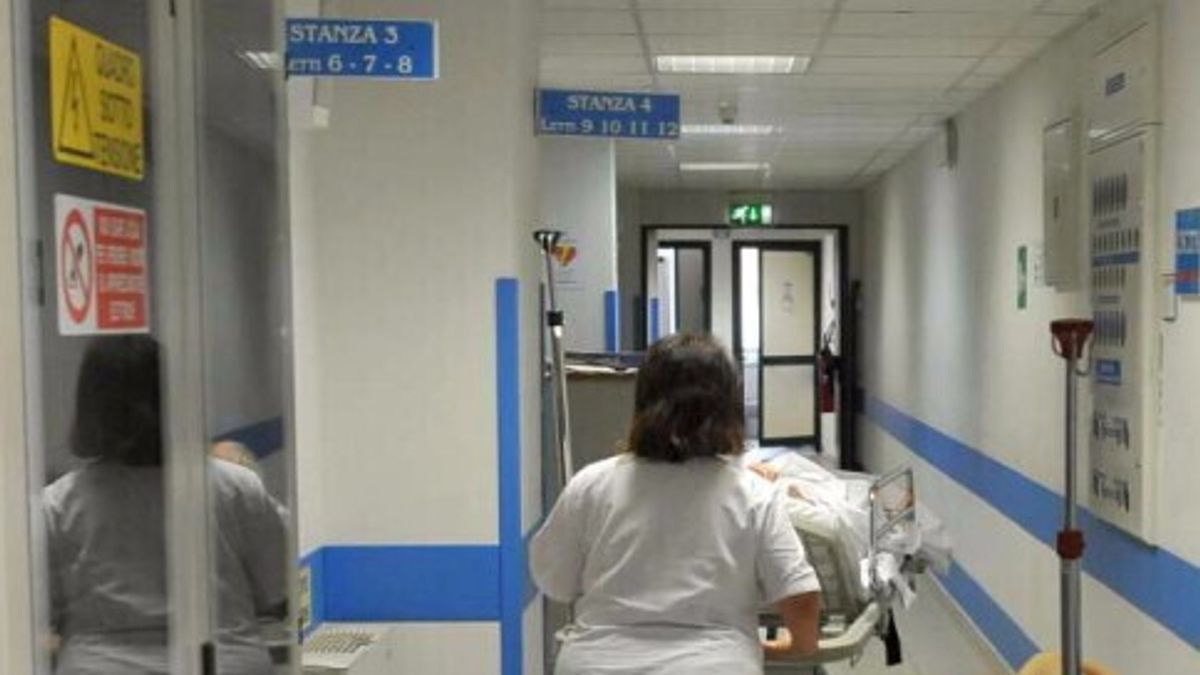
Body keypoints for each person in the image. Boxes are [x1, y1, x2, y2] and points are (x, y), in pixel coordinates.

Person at [530, 333, 822, 675]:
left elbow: (554, 581)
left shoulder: (591, 484)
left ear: (642, 402)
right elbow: (801, 596)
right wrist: (796, 646)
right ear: (730, 408)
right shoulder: (753, 493)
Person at [42, 335, 287, 675]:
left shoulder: (59, 504)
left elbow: (37, 608)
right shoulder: (236, 488)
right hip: (221, 662)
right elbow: (279, 589)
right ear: (173, 398)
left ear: (89, 409)